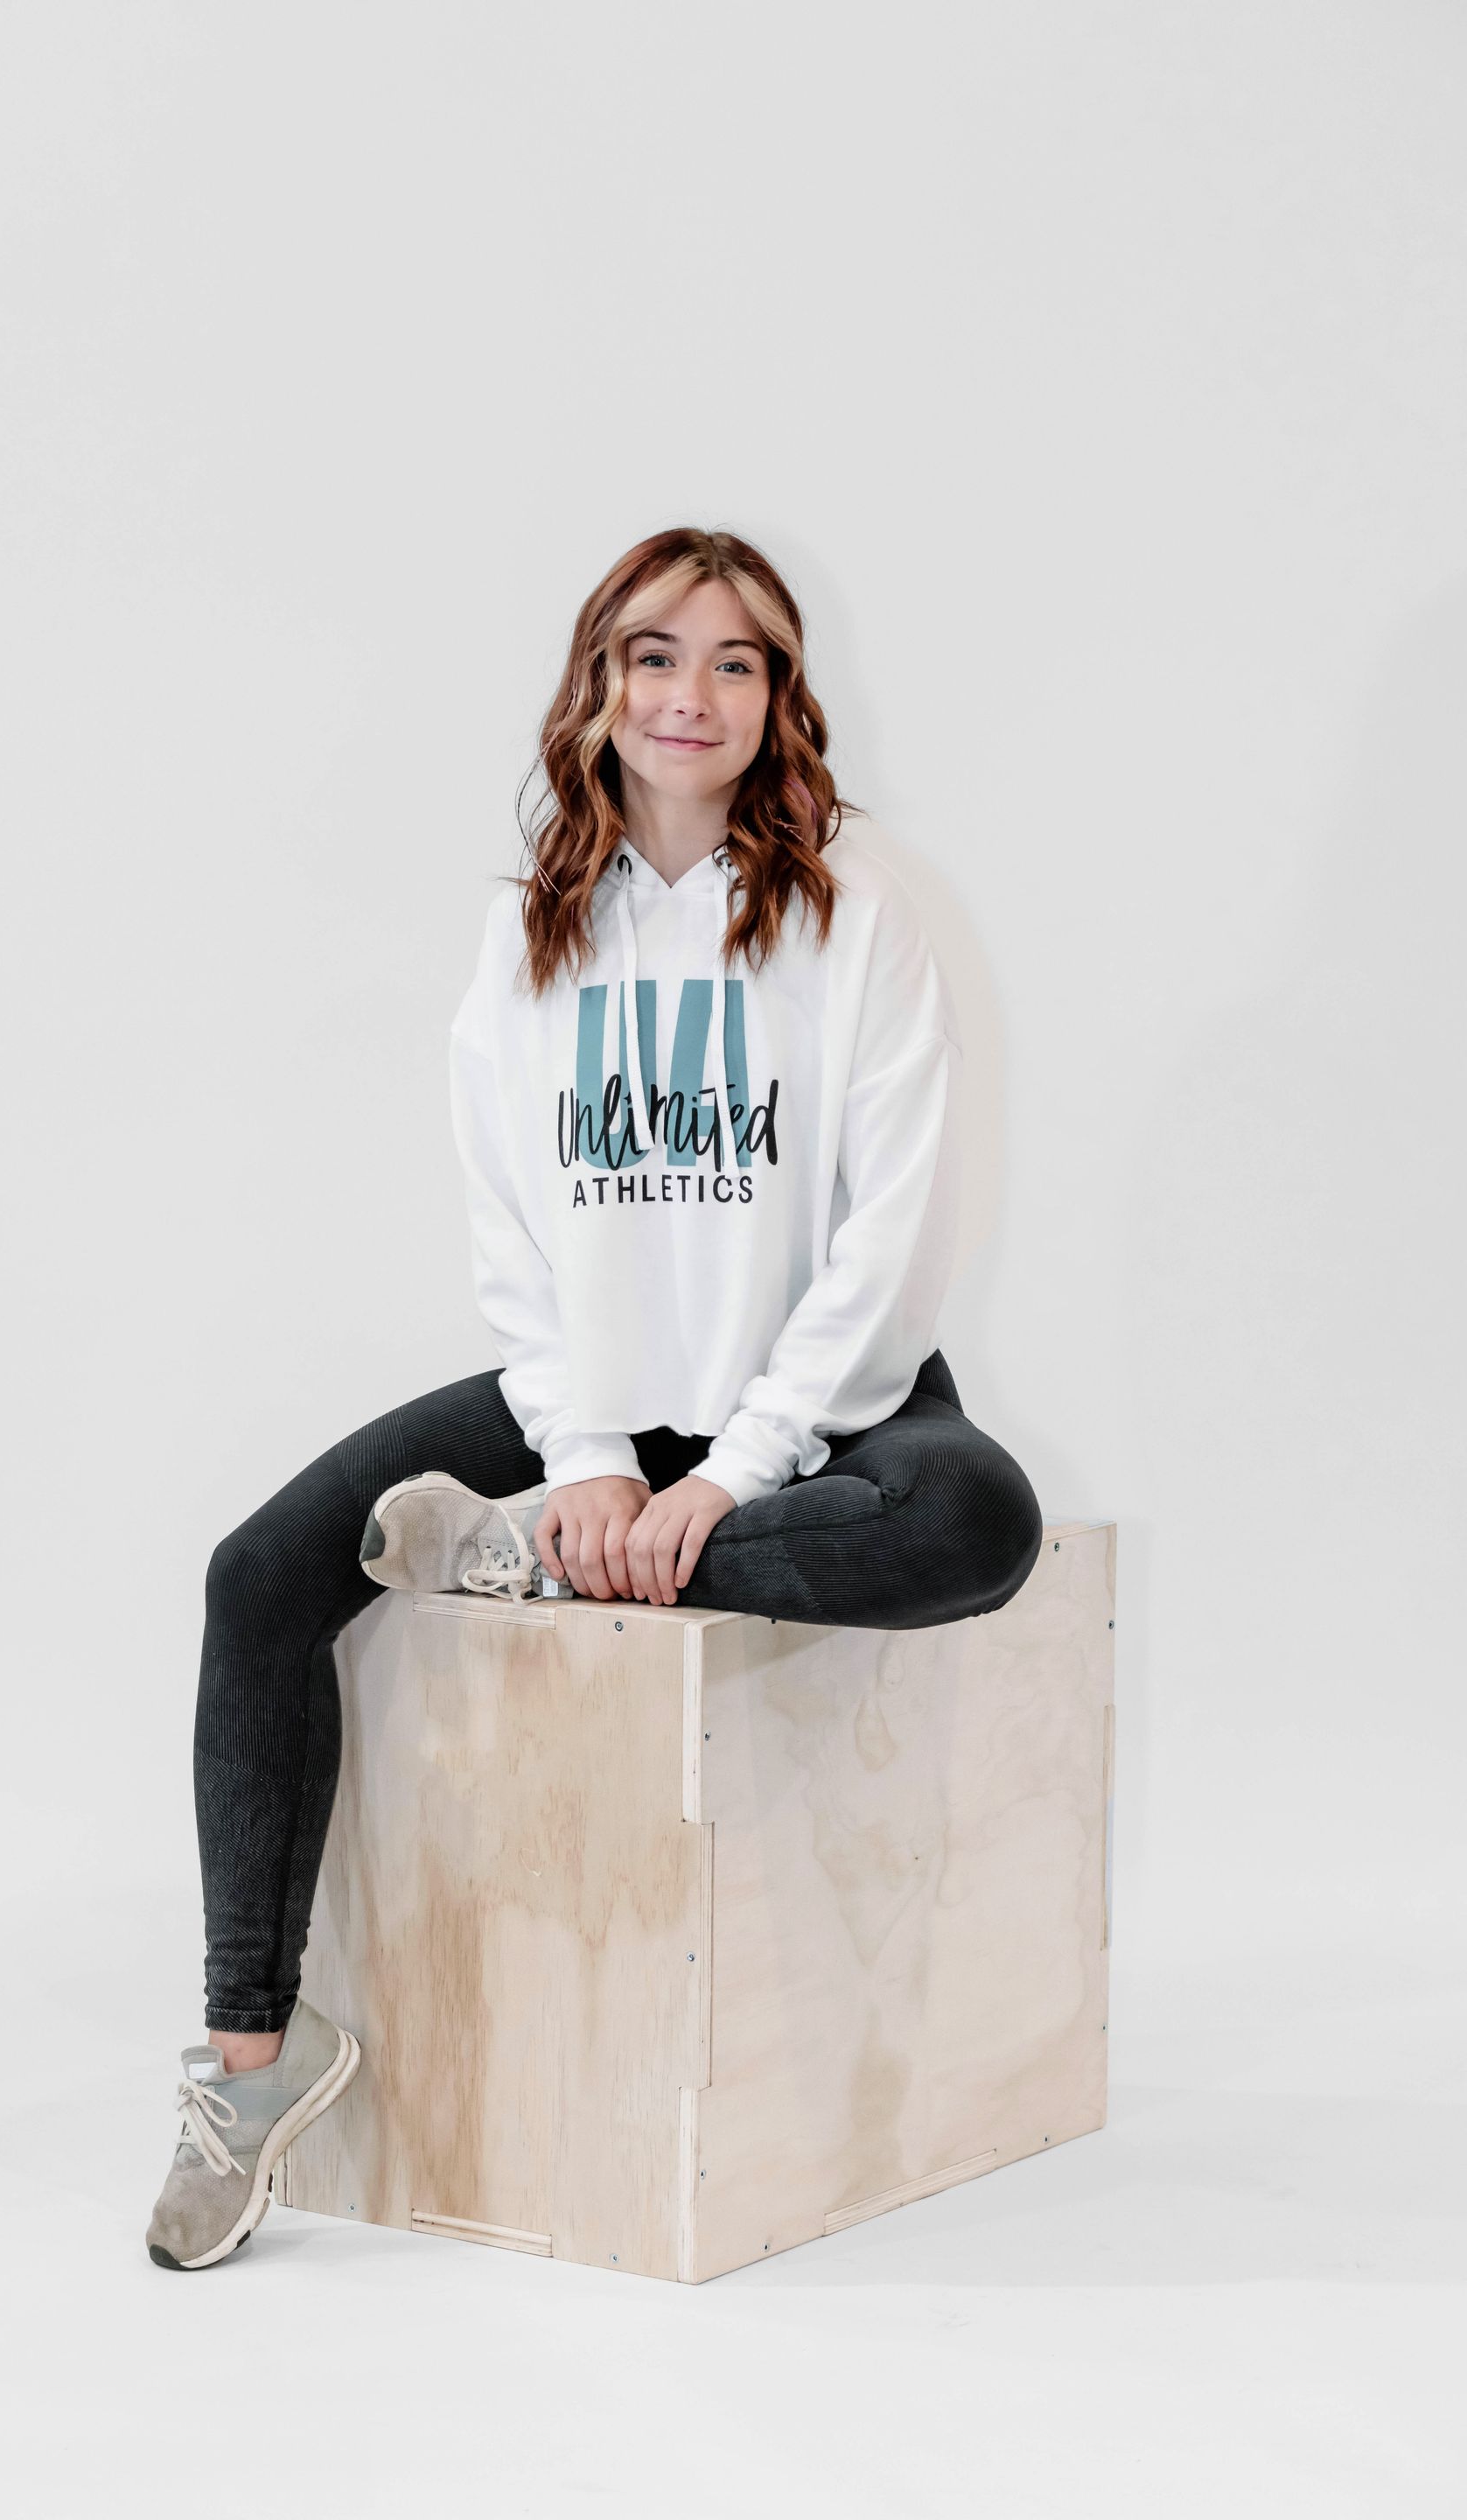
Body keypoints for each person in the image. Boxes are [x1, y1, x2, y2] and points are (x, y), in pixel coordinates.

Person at [145, 526, 1043, 2271]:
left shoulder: (864, 916)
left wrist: (735, 1470)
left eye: (735, 660)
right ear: (597, 688)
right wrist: (582, 1454)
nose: (689, 692)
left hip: (830, 1408)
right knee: (260, 1574)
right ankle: (252, 2060)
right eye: (652, 655)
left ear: (783, 698)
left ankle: (536, 1570)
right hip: (597, 1404)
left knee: (977, 1518)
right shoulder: (529, 938)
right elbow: (515, 1235)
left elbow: (893, 1239)